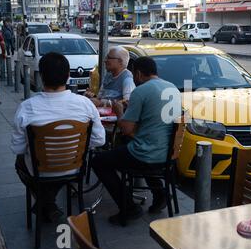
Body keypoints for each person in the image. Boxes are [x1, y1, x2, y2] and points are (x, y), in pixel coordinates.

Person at [11, 52, 106, 222]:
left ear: (41, 76)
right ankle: (48, 204)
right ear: (68, 76)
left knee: (20, 162)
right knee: (56, 169)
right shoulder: (85, 105)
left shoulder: (27, 107)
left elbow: (17, 148)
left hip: (40, 170)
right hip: (75, 167)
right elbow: (100, 140)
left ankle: (47, 204)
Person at [91, 56, 181, 225]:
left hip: (146, 154)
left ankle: (129, 207)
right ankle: (160, 194)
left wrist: (119, 111)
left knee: (99, 161)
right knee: (130, 147)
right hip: (167, 153)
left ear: (138, 74)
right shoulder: (172, 88)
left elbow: (126, 129)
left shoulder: (140, 91)